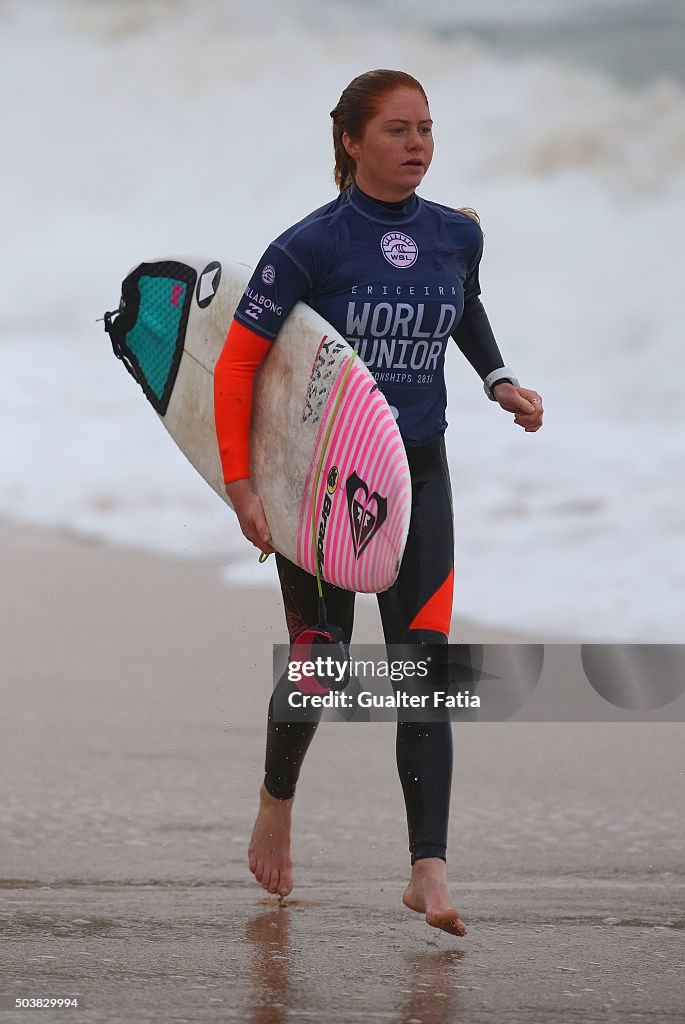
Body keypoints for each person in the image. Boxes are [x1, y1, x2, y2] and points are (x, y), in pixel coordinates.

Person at [214, 69, 543, 937]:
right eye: (397, 130)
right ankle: (276, 803)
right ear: (352, 142)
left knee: (423, 671)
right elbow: (239, 363)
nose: (418, 145)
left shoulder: (454, 236)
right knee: (320, 665)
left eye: (426, 129)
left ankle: (426, 871)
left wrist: (497, 377)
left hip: (416, 477)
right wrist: (242, 486)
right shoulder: (307, 247)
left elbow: (463, 308)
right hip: (320, 483)